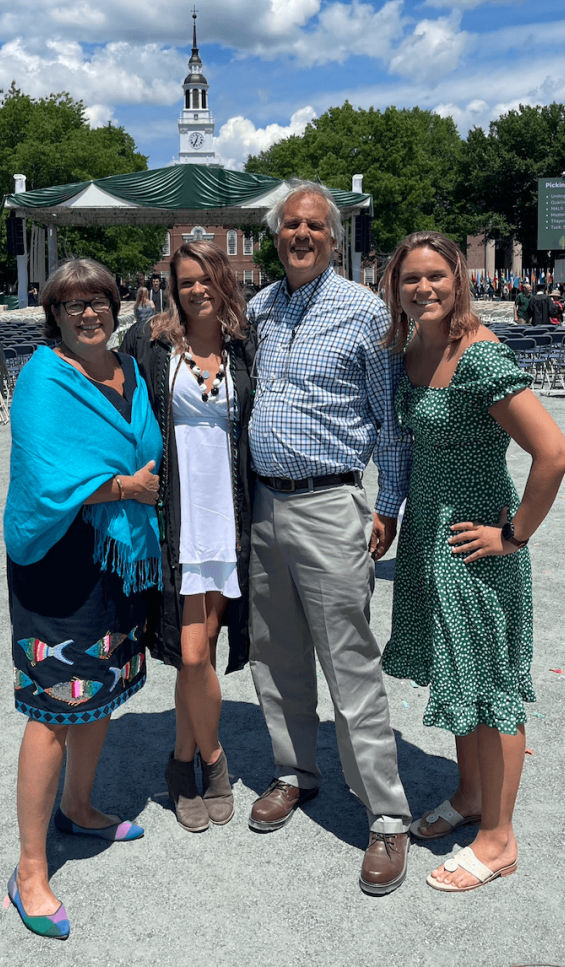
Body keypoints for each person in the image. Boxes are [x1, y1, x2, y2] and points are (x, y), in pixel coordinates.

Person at [380, 231, 565, 892]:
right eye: (410, 278)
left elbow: (553, 452)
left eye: (435, 276)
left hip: (473, 541)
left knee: (490, 688)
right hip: (429, 539)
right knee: (455, 673)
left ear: (458, 280)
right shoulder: (412, 346)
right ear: (395, 286)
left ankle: (498, 838)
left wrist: (513, 537)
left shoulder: (478, 355)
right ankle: (468, 796)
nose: (423, 288)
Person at [245, 180, 412, 896]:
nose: (301, 234)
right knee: (275, 655)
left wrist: (389, 504)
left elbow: (387, 420)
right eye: (290, 225)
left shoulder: (364, 312)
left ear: (333, 238)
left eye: (314, 225)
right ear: (275, 235)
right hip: (261, 505)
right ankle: (295, 772)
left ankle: (386, 815)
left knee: (349, 665)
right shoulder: (259, 308)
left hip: (328, 503)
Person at [3, 258, 163, 939]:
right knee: (51, 710)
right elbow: (45, 482)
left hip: (119, 560)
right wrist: (126, 489)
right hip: (60, 562)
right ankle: (30, 870)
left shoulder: (130, 371)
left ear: (117, 303)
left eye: (98, 300)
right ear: (55, 315)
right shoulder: (44, 378)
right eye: (72, 305)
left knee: (100, 691)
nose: (88, 313)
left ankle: (80, 804)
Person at [121, 242, 255, 833]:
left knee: (202, 650)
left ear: (223, 281)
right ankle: (213, 759)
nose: (198, 290)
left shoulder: (243, 345)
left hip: (228, 515)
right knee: (193, 652)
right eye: (186, 281)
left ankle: (180, 762)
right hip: (175, 517)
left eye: (207, 279)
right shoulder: (147, 344)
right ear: (172, 286)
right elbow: (116, 410)